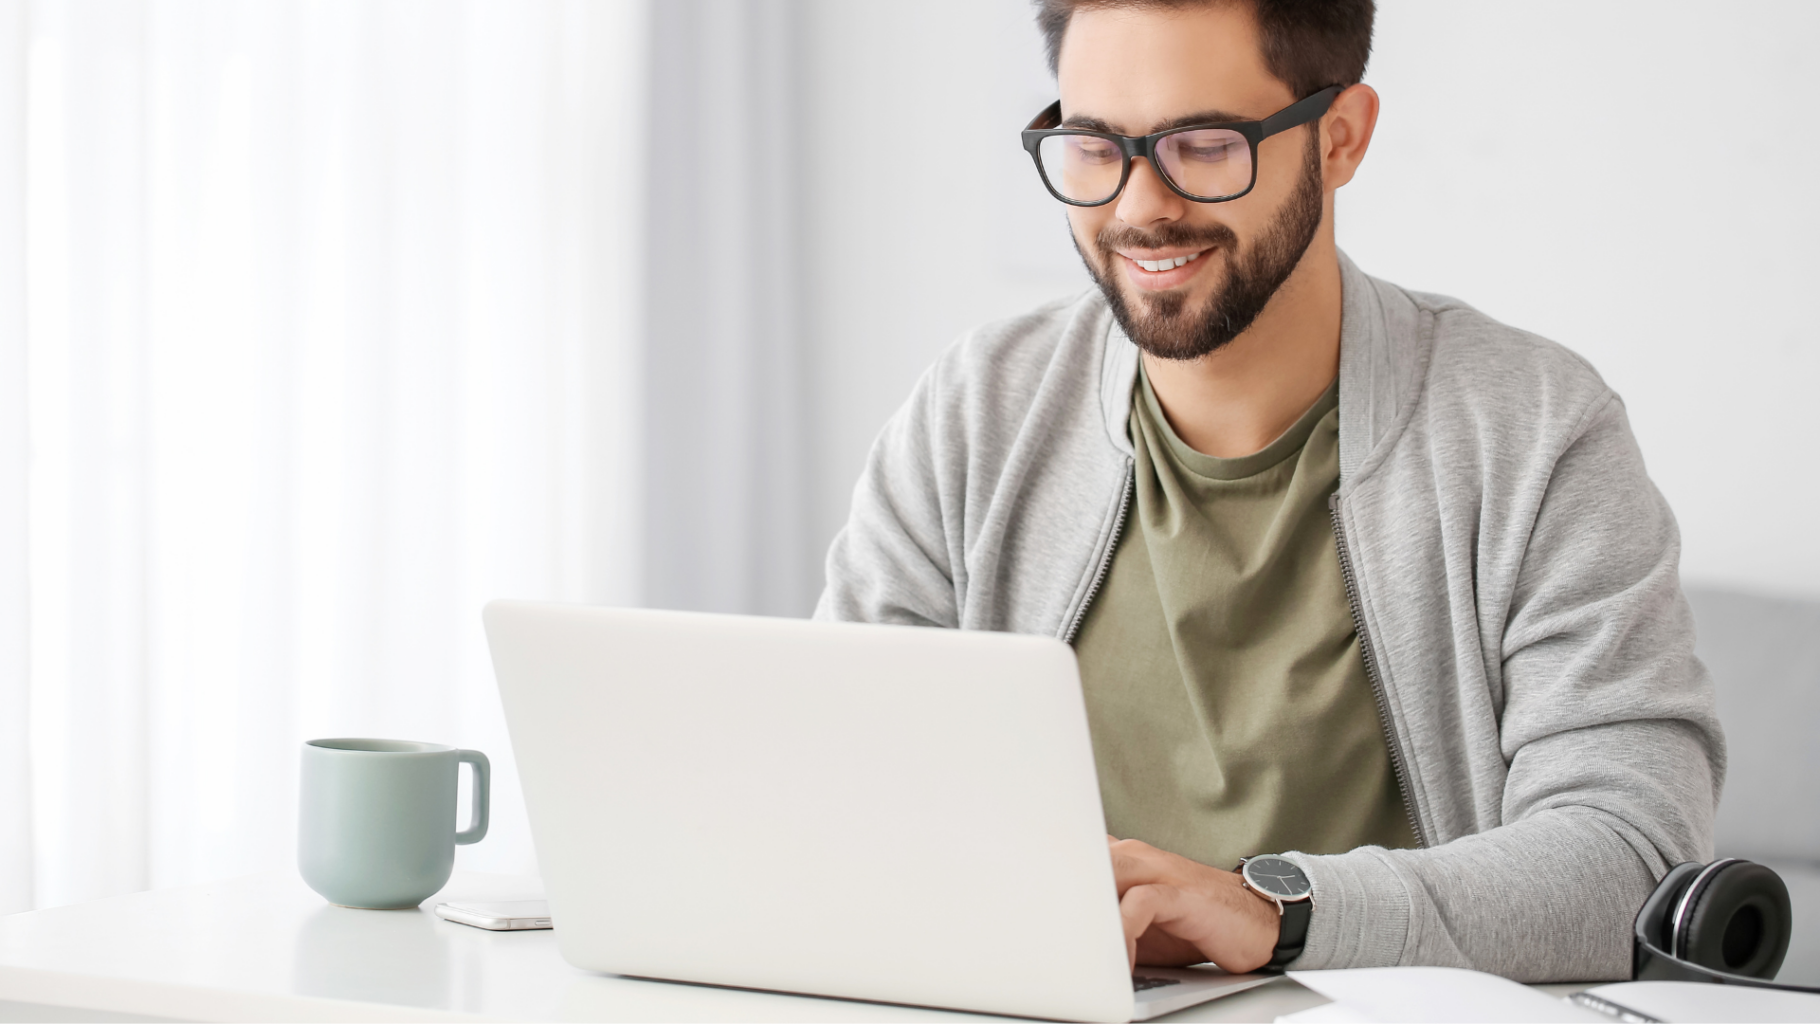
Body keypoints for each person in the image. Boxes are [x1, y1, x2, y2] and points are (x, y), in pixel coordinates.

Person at [814, 0, 1722, 983]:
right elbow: (833, 773)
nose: (1135, 207)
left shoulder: (1535, 434)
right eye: (1091, 144)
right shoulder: (976, 413)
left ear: (1339, 137)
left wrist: (1278, 911)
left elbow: (1624, 860)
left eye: (1202, 144)